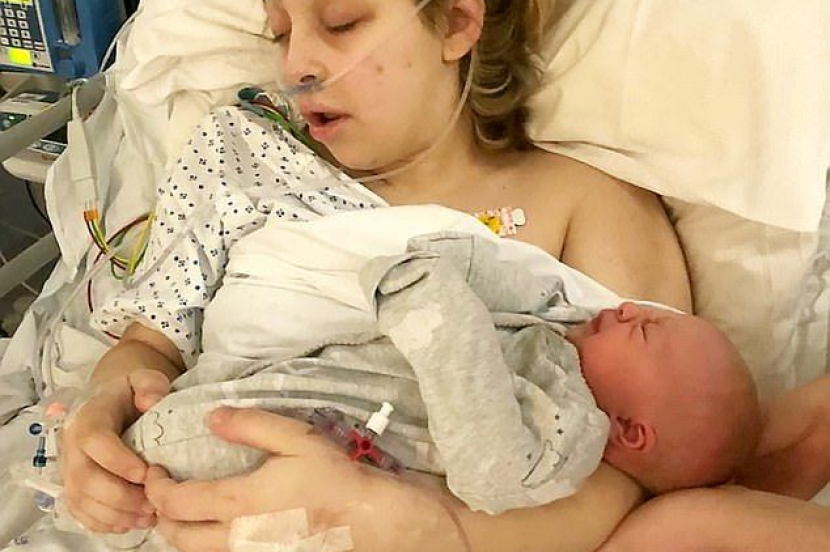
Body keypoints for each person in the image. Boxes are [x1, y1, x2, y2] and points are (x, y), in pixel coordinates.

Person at [52, 0, 827, 551]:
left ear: (456, 21)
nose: (297, 65)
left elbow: (640, 466)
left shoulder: (582, 199)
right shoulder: (241, 160)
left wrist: (420, 529)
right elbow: (149, 347)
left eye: (342, 22)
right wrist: (104, 415)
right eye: (280, 31)